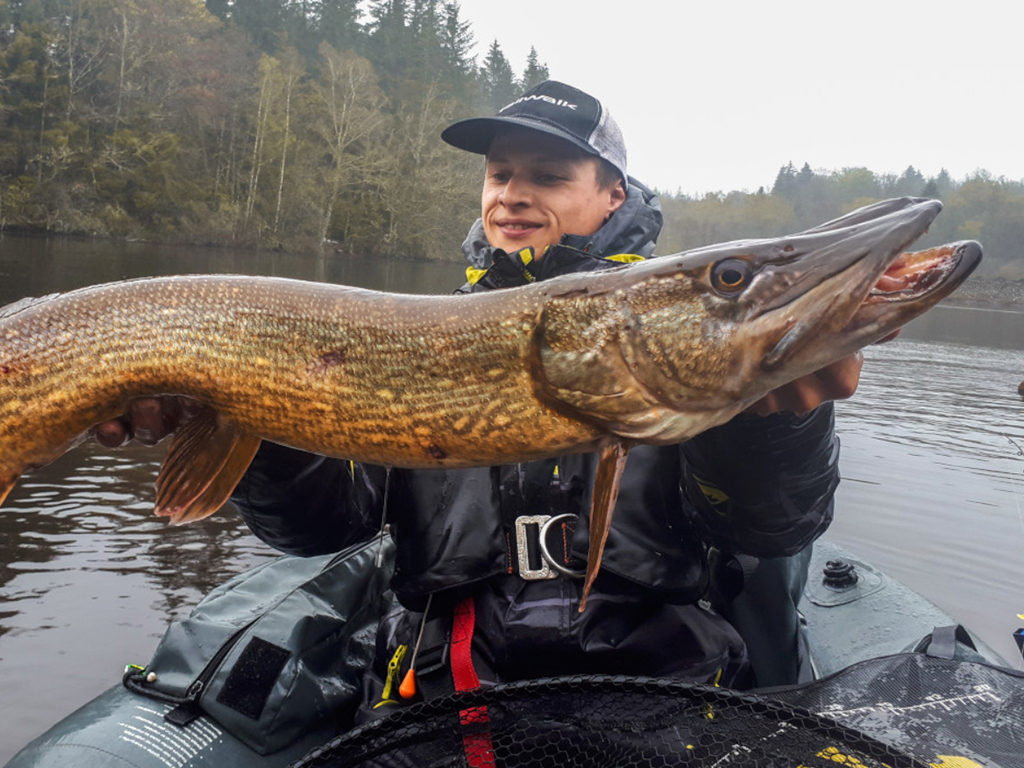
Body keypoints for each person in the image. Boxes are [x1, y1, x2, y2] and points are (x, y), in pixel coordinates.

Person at [96, 81, 863, 718]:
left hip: (653, 688)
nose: (513, 195)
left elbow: (770, 527)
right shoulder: (416, 338)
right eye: (500, 175)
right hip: (451, 690)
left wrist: (782, 426)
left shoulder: (679, 331)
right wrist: (250, 421)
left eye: (549, 176)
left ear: (613, 195)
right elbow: (324, 527)